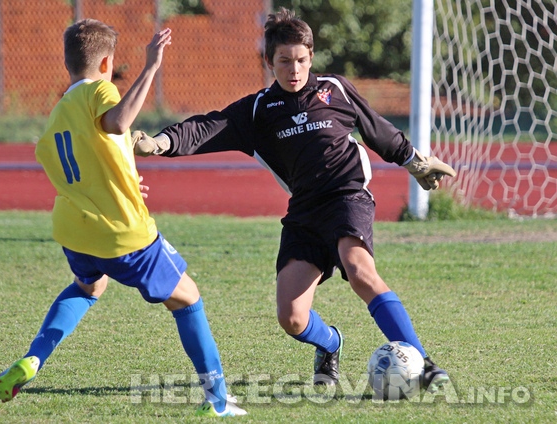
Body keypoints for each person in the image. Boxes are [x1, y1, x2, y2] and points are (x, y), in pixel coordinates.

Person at [133, 8, 456, 393]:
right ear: (269, 62)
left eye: (301, 59)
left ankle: (422, 362)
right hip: (304, 211)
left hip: (347, 197)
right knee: (291, 318)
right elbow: (206, 128)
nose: (294, 69)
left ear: (311, 58)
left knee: (360, 271)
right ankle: (331, 344)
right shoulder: (258, 111)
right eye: (284, 61)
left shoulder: (334, 89)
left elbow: (378, 130)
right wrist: (160, 143)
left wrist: (415, 161)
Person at [0, 19, 246, 417]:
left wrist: (122, 183)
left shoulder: (59, 113)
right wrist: (150, 67)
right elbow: (118, 123)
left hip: (75, 234)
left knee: (89, 289)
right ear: (107, 62)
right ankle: (218, 401)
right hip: (123, 235)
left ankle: (34, 358)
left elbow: (87, 165)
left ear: (68, 63)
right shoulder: (101, 90)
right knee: (188, 299)